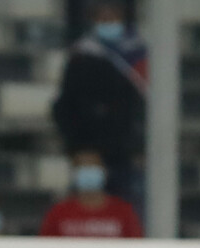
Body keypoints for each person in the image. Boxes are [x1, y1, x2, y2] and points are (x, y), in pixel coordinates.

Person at [52, 1, 147, 206]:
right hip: (88, 154)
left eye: (113, 19)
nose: (109, 23)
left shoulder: (138, 55)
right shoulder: (82, 56)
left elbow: (142, 106)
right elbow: (65, 106)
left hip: (125, 155)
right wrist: (78, 148)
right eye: (103, 19)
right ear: (94, 21)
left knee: (129, 208)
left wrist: (139, 146)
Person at [38, 149, 143, 248]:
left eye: (93, 166)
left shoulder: (123, 211)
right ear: (74, 173)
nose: (88, 172)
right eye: (82, 167)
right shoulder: (58, 212)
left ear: (104, 171)